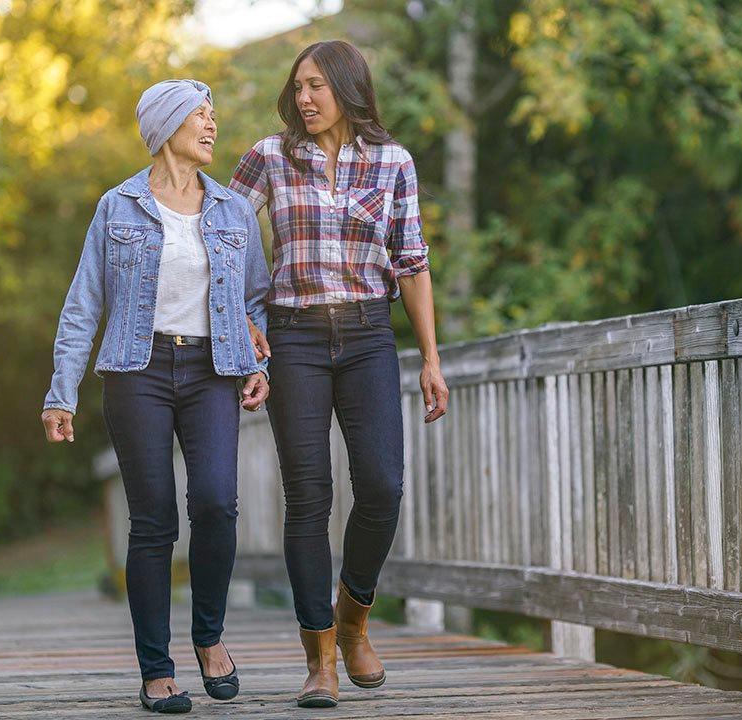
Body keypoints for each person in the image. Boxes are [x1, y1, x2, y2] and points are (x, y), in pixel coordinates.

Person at [230, 40, 450, 709]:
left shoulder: (393, 162)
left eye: (317, 86)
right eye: (297, 86)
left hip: (365, 336)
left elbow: (411, 263)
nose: (304, 98)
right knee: (309, 497)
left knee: (382, 484)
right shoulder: (271, 154)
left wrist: (432, 358)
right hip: (293, 337)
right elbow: (223, 235)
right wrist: (241, 318)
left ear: (349, 88)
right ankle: (319, 655)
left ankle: (354, 620)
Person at [41, 79, 270, 714]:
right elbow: (84, 304)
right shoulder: (116, 208)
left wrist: (259, 359)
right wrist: (62, 391)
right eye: (200, 114)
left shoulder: (232, 211)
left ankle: (209, 638)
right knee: (153, 523)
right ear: (166, 126)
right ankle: (155, 669)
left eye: (212, 115)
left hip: (211, 371)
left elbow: (254, 301)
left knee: (218, 505)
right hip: (136, 371)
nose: (212, 125)